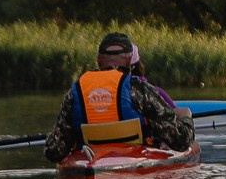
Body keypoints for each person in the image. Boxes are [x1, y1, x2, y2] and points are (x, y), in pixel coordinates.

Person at [45, 32, 197, 162]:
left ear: (98, 60)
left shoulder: (75, 92)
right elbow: (181, 142)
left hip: (90, 161)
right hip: (135, 164)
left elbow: (54, 151)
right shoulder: (138, 89)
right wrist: (186, 118)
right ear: (131, 60)